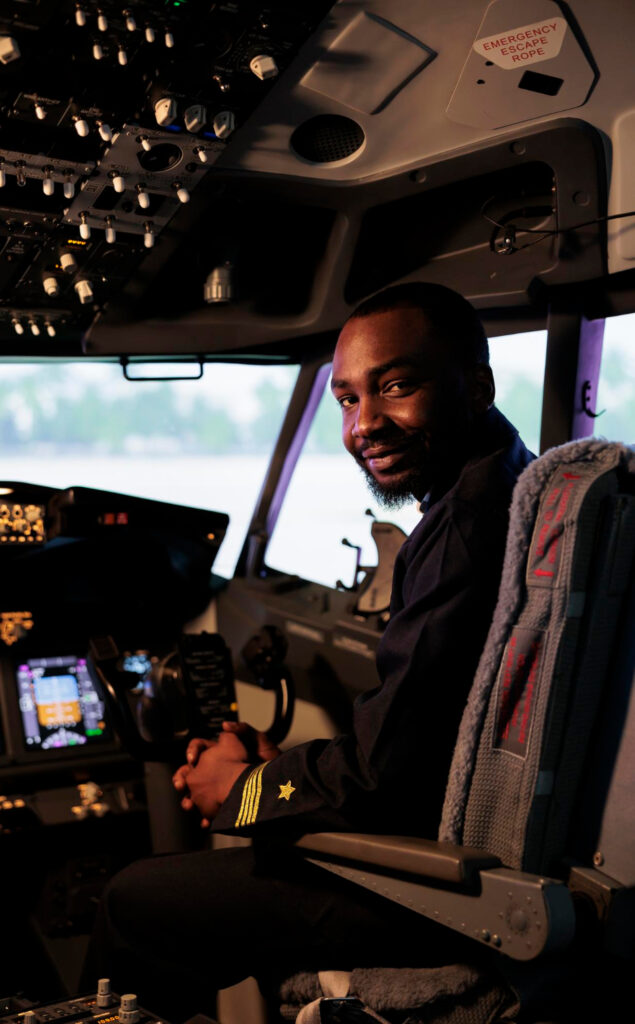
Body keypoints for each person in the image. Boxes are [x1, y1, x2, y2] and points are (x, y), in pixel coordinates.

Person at [85, 282, 534, 1019]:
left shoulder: (465, 533)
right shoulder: (507, 487)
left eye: (396, 386)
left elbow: (378, 780)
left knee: (134, 901)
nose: (366, 425)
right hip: (481, 849)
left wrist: (240, 789)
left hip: (451, 887)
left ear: (475, 385)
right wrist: (271, 771)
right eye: (348, 399)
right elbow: (411, 739)